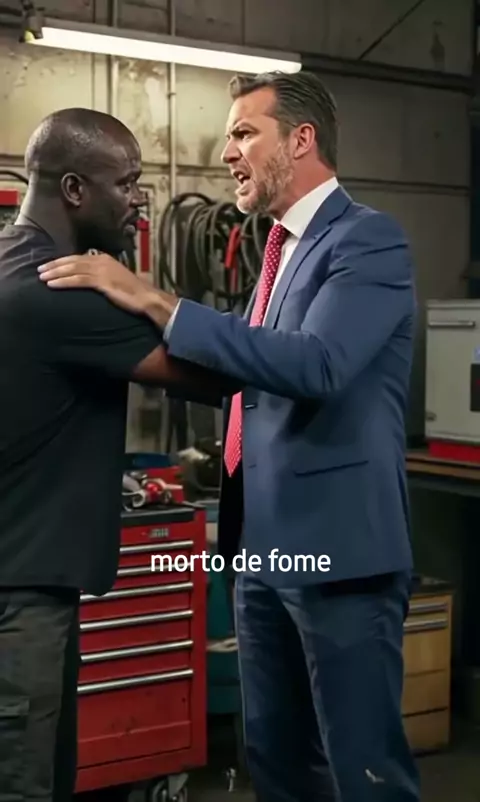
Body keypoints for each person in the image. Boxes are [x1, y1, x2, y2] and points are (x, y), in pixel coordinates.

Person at [38, 72, 421, 802]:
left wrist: (155, 298)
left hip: (340, 556)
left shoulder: (367, 241)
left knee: (364, 769)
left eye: (244, 133)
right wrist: (107, 342)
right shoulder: (277, 253)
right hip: (262, 551)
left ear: (301, 140)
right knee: (276, 760)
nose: (227, 153)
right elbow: (244, 364)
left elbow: (318, 364)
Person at [0, 107, 237, 802]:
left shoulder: (10, 262)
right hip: (21, 601)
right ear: (75, 190)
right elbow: (219, 376)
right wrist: (147, 295)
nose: (138, 200)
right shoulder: (61, 289)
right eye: (127, 183)